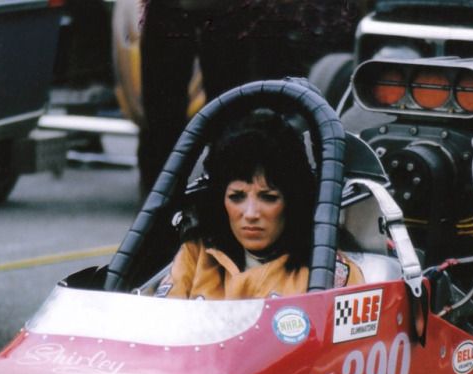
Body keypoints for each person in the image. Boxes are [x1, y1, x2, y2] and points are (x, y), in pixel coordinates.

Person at [138, 0, 360, 193]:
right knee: (165, 117)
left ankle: (221, 194)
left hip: (231, 14)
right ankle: (161, 205)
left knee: (229, 112)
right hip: (176, 12)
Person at [153, 110, 364, 299]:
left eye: (269, 197)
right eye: (236, 197)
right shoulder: (196, 254)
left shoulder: (328, 270)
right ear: (220, 201)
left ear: (292, 201)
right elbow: (159, 330)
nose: (251, 213)